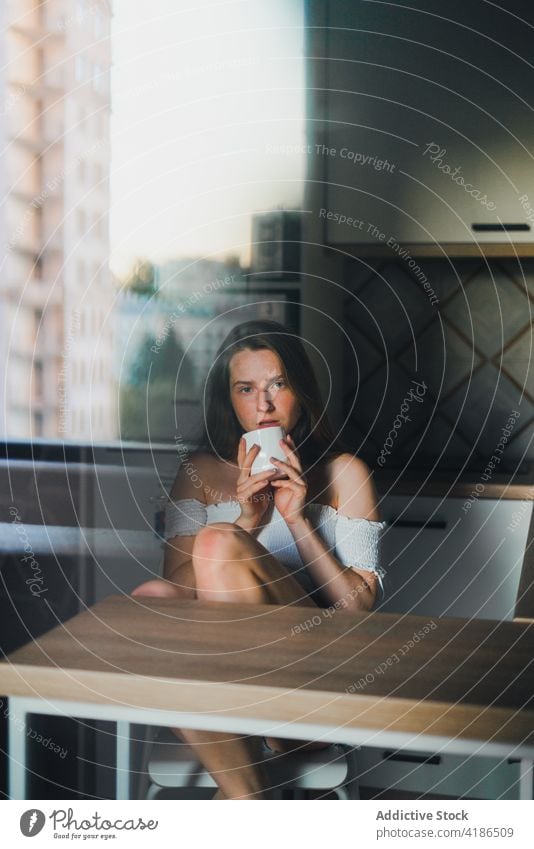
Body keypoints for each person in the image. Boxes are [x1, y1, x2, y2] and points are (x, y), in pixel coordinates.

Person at [132, 319, 386, 799]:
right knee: (156, 594)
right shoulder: (201, 473)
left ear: (300, 391)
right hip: (225, 679)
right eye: (245, 388)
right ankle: (250, 798)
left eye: (277, 385)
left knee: (214, 543)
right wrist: (247, 521)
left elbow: (358, 612)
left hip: (315, 678)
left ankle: (248, 778)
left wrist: (297, 520)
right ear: (229, 399)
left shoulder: (343, 472)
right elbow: (180, 593)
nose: (263, 404)